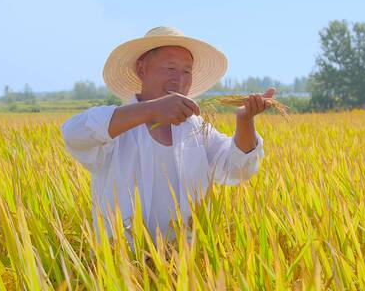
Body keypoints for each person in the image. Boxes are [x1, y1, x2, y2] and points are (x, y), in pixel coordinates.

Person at [61, 26, 275, 244]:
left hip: (187, 264)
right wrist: (152, 109)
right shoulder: (116, 126)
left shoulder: (196, 127)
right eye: (170, 68)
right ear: (141, 69)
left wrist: (245, 120)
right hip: (125, 263)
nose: (179, 80)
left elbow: (236, 168)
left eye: (186, 71)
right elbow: (73, 133)